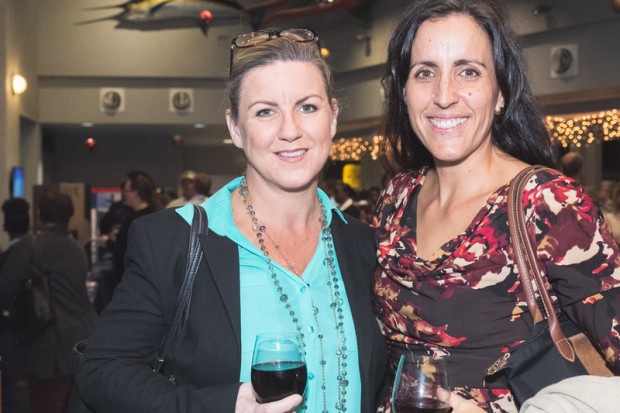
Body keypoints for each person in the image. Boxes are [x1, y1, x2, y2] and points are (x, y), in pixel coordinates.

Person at [77, 28, 387, 413]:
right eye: (265, 111)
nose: (290, 130)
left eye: (308, 107)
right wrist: (222, 406)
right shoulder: (172, 242)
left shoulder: (364, 244)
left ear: (333, 117)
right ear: (235, 128)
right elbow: (103, 371)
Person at [372, 1, 620, 413]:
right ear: (404, 92)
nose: (444, 95)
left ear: (501, 93)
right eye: (425, 72)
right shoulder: (396, 198)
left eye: (468, 71)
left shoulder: (549, 202)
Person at [0, 192, 98, 413]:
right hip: (84, 335)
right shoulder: (76, 248)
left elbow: (5, 290)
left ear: (39, 214)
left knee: (45, 403)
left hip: (49, 341)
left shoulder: (32, 244)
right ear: (70, 216)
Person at [105, 170, 161, 297]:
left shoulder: (134, 221)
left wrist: (109, 242)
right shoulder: (156, 215)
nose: (124, 195)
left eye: (126, 191)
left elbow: (123, 252)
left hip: (133, 283)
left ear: (136, 192)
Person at [0, 198, 30, 413]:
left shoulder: (5, 260)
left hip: (10, 334)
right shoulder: (41, 252)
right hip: (41, 334)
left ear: (5, 226)